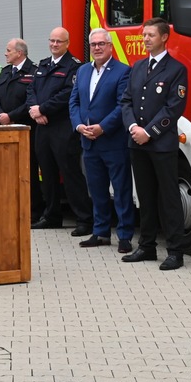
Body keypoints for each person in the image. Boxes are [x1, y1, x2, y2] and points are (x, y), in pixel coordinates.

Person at [120, 18, 190, 271]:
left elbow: (174, 107)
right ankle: (147, 246)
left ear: (164, 37)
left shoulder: (176, 69)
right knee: (145, 197)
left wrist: (149, 132)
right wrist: (133, 128)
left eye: (151, 35)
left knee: (168, 198)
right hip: (137, 143)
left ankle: (175, 251)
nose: (146, 39)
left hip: (161, 144)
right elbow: (126, 101)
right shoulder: (138, 67)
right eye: (144, 35)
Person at [69, 28, 136, 253]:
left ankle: (125, 235)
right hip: (88, 142)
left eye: (101, 44)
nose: (97, 48)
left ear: (110, 46)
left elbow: (122, 106)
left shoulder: (122, 72)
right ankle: (101, 232)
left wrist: (102, 128)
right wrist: (79, 126)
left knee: (121, 190)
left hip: (113, 142)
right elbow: (74, 102)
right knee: (96, 190)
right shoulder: (83, 70)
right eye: (93, 44)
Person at [28, 26, 91, 236]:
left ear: (67, 44)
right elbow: (31, 90)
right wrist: (36, 111)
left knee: (70, 173)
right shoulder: (43, 65)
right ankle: (52, 216)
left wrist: (43, 109)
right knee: (46, 174)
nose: (55, 44)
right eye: (52, 40)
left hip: (62, 128)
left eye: (59, 41)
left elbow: (68, 94)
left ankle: (84, 219)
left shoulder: (74, 67)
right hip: (42, 128)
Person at [0, 38, 41, 222]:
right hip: (4, 128)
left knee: (28, 171)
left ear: (19, 53)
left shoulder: (34, 72)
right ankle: (11, 208)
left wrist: (10, 116)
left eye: (8, 50)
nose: (5, 53)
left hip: (25, 130)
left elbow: (30, 101)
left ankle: (33, 212)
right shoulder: (5, 72)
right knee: (8, 171)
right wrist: (0, 114)